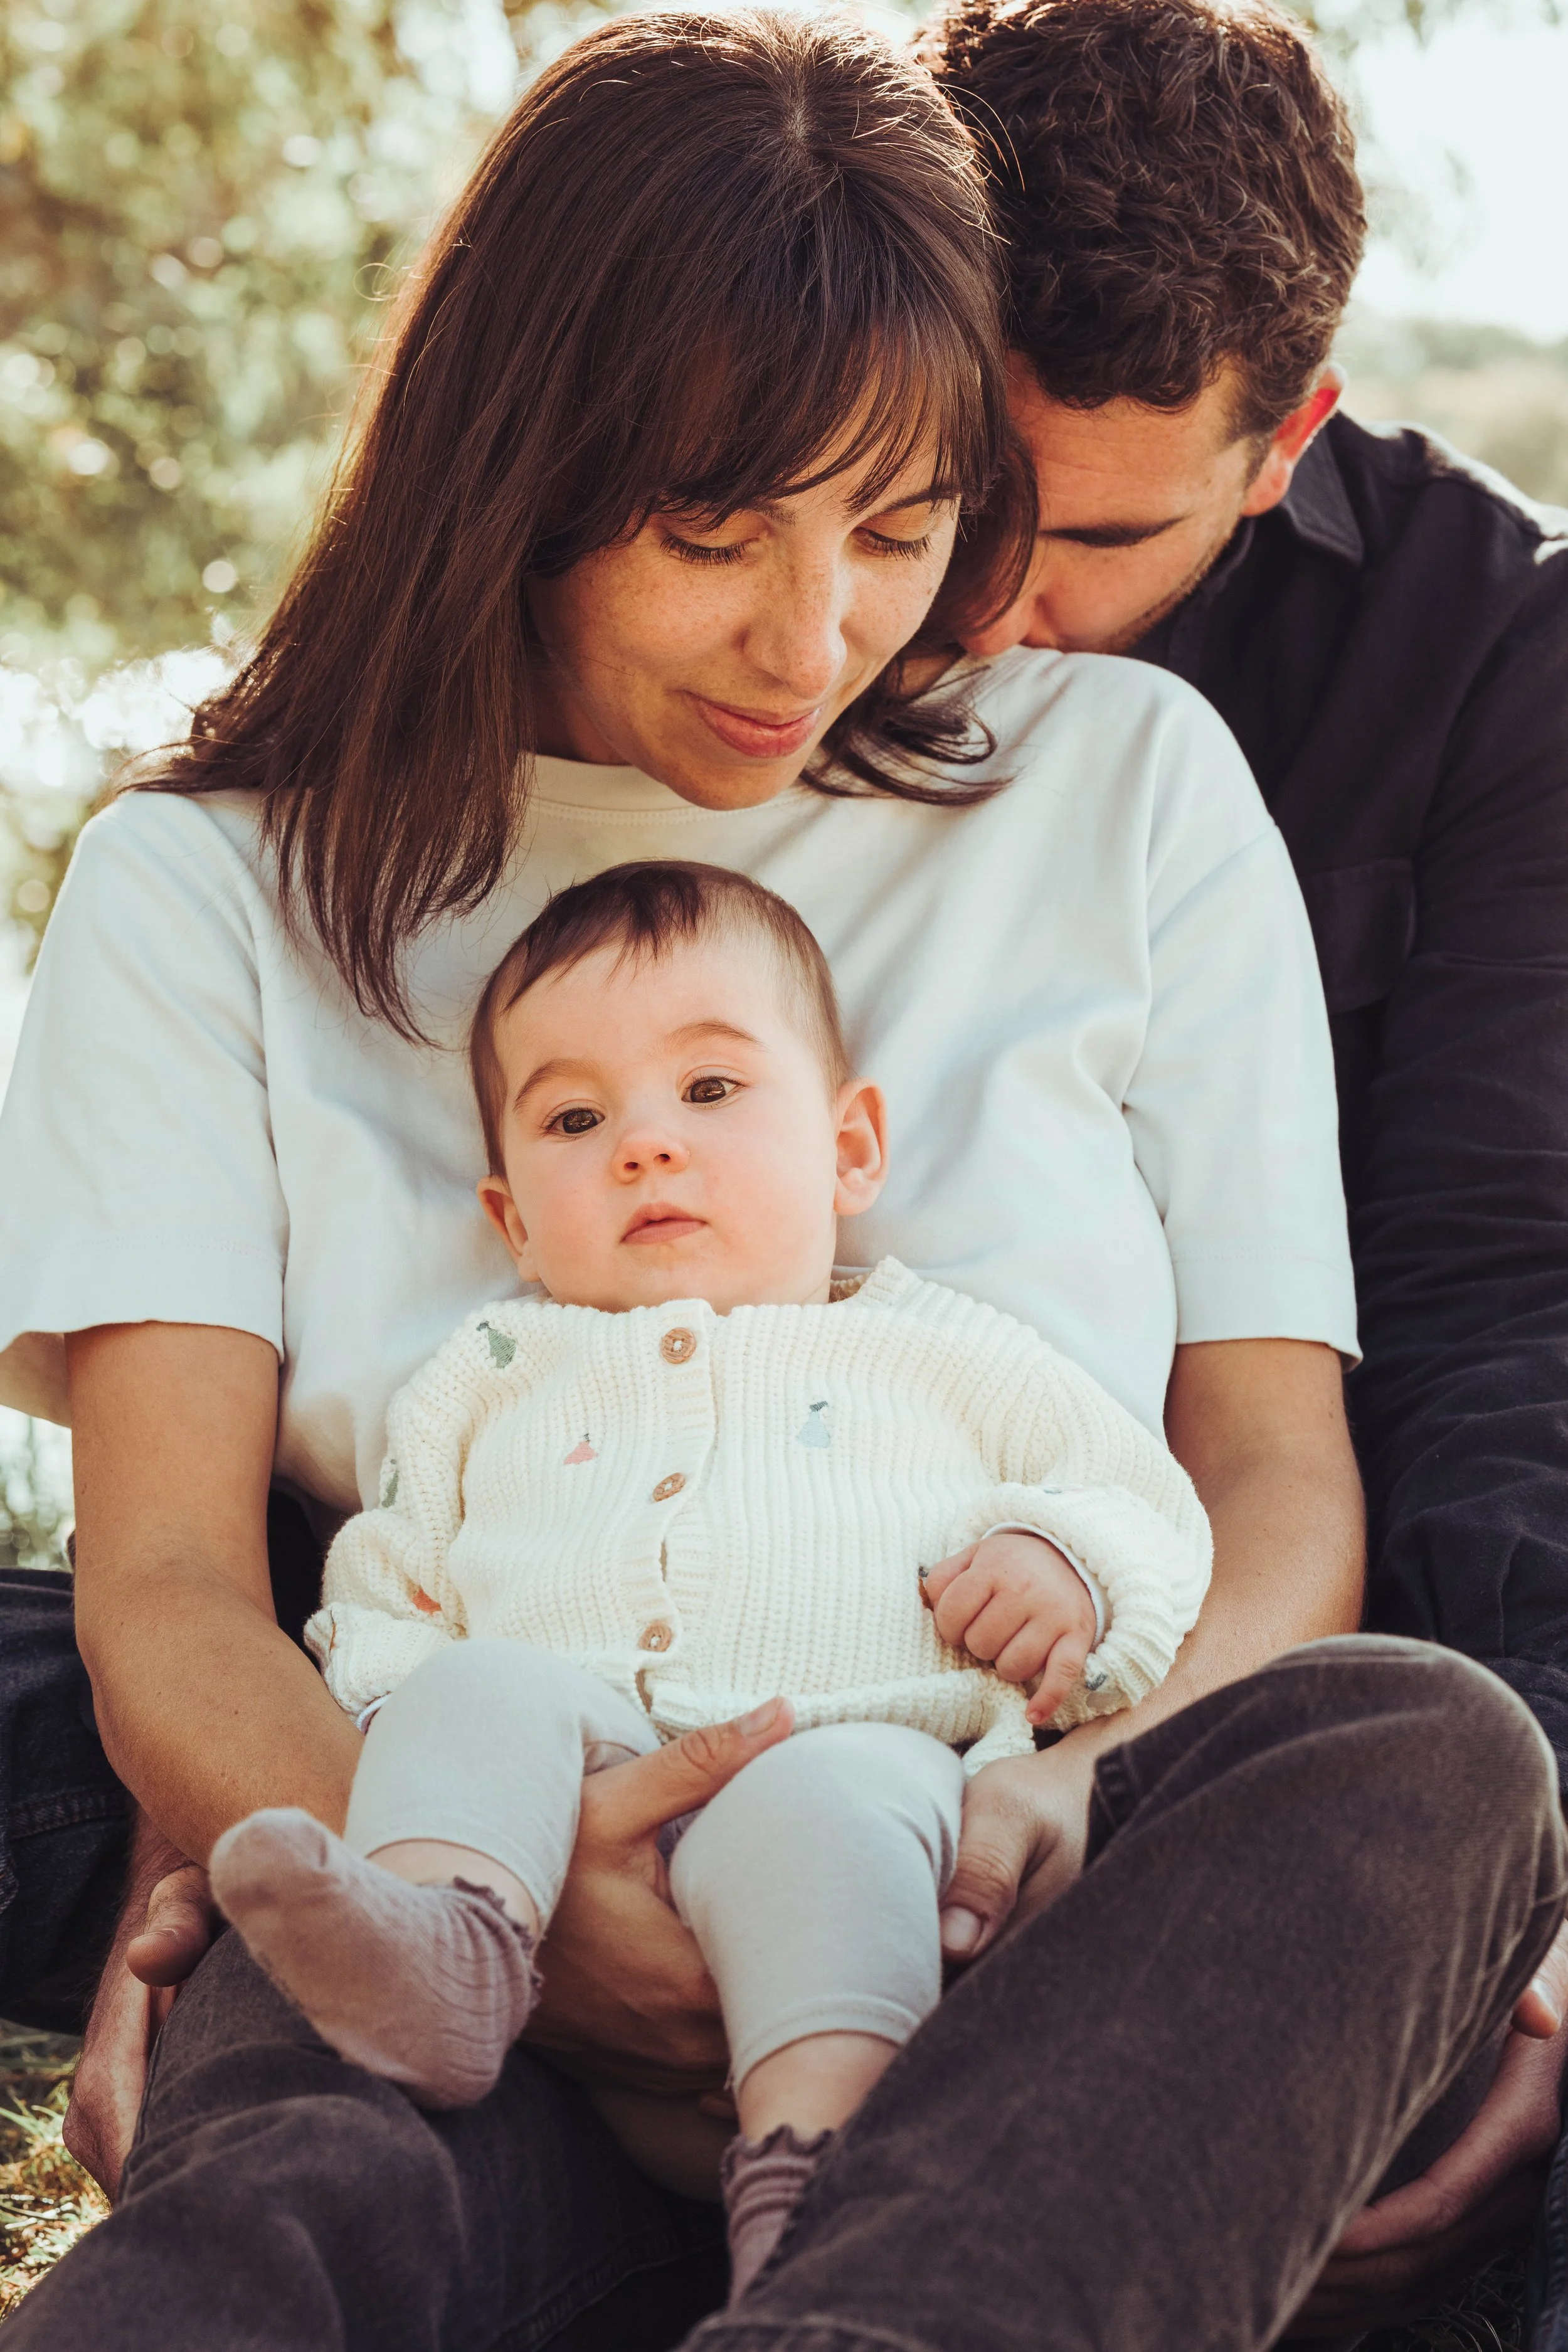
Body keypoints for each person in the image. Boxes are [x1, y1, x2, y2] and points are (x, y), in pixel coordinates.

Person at [0, 7, 1537, 2348]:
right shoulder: (201, 893)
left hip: (1003, 1925)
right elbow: (177, 1595)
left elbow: (1270, 1481)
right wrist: (507, 1908)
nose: (814, 638)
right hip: (486, 1899)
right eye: (714, 534)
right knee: (301, 2196)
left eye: (904, 531)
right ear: (517, 468)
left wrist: (1071, 1801)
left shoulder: (1124, 779)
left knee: (1434, 1754)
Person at [923, 0, 1568, 2331]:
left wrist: (1527, 1901)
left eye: (1088, 536)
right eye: (947, 493)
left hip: (1298, 1632)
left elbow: (1504, 1301)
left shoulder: (1497, 650)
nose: (980, 608)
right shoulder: (759, 575)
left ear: (1281, 440)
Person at [206, 859, 1210, 2300]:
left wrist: (1066, 1569)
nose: (643, 1149)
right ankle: (443, 1943)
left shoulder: (941, 1349)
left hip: (853, 1773)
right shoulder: (481, 1384)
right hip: (564, 1879)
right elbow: (382, 1598)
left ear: (850, 1147)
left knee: (826, 1801)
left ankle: (824, 2193)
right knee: (470, 1682)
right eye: (573, 1118)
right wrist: (418, 1736)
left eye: (713, 1092)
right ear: (511, 1219)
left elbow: (1145, 1506)